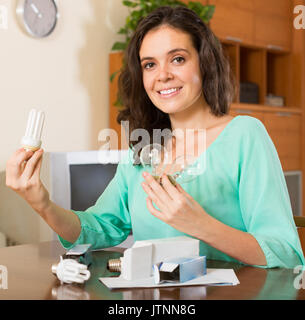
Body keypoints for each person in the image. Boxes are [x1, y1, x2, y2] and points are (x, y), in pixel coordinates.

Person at [6, 6, 304, 268]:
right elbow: (94, 229)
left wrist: (200, 225)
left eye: (177, 59)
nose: (162, 75)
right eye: (150, 64)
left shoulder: (244, 135)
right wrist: (42, 203)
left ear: (204, 62)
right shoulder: (143, 150)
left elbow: (285, 252)